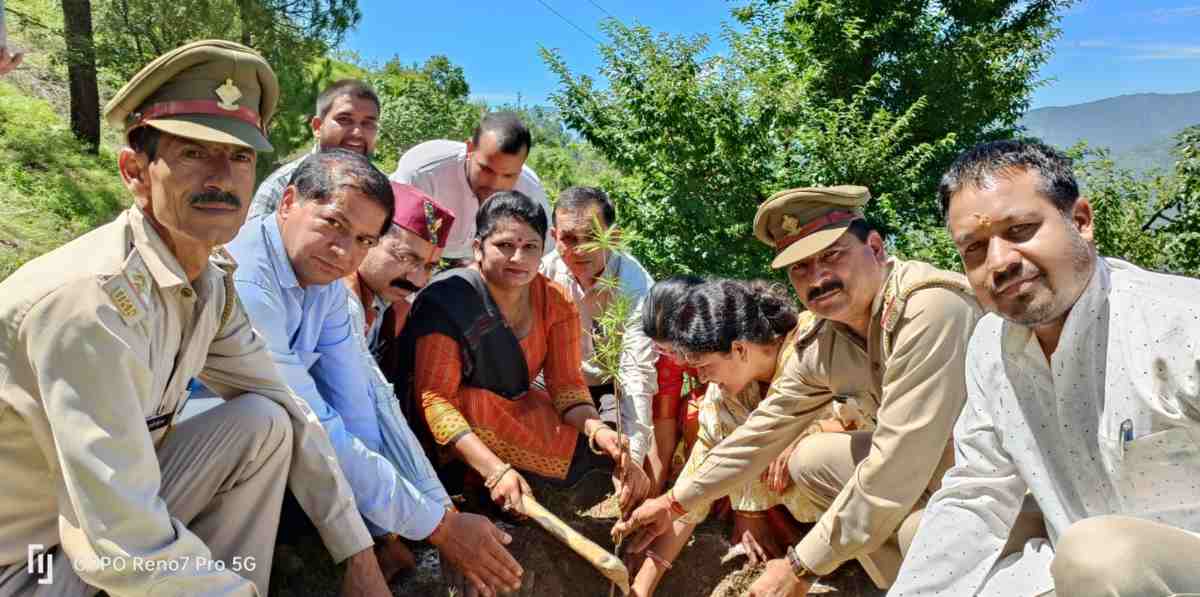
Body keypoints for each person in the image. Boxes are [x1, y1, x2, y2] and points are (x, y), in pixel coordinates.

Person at [0, 40, 387, 596]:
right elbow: (121, 540)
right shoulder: (89, 306)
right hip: (27, 565)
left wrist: (355, 549)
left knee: (265, 423)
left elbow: (286, 406)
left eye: (240, 157)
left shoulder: (207, 283)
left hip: (95, 533)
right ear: (134, 171)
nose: (222, 178)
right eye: (193, 153)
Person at [616, 186, 984, 596]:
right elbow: (761, 433)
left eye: (832, 256)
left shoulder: (927, 310)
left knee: (924, 534)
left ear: (876, 248)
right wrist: (672, 504)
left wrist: (799, 566)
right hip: (937, 476)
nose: (817, 278)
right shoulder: (830, 338)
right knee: (812, 462)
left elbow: (896, 466)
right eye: (800, 267)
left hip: (1002, 487)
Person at [891, 140, 1200, 597]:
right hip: (1080, 569)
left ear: (1081, 221)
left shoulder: (1180, 323)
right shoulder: (991, 346)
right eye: (974, 249)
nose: (999, 262)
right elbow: (978, 490)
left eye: (1020, 229)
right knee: (924, 536)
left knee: (1099, 554)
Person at [225, 149, 521, 597]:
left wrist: (430, 519)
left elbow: (365, 410)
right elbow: (313, 424)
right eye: (334, 224)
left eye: (363, 239)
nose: (345, 250)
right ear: (287, 203)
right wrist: (434, 528)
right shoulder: (251, 282)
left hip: (270, 453)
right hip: (194, 456)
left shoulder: (325, 287)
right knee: (270, 424)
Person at [386, 190, 650, 518]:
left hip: (516, 407)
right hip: (451, 419)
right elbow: (436, 400)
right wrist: (495, 470)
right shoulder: (448, 299)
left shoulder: (555, 301)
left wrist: (599, 430)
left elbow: (567, 388)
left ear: (544, 250)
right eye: (505, 246)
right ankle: (467, 482)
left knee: (597, 458)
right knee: (475, 407)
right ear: (477, 247)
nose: (518, 259)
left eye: (530, 248)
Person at [628, 279, 833, 597]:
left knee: (808, 457)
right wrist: (642, 586)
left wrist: (810, 434)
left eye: (705, 366)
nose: (701, 378)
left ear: (739, 348)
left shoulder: (815, 344)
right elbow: (700, 477)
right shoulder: (723, 397)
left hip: (884, 490)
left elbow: (873, 418)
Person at [540, 186, 656, 502]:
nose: (579, 250)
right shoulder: (543, 272)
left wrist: (633, 454)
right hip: (554, 385)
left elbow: (636, 372)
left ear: (613, 237)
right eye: (568, 239)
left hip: (612, 387)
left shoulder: (636, 285)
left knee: (619, 454)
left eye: (591, 237)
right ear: (554, 236)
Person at [391, 112, 554, 264]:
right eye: (486, 169)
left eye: (508, 176)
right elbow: (392, 236)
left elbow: (544, 251)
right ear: (469, 148)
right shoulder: (424, 171)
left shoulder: (530, 188)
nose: (495, 185)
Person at [248, 79, 380, 219]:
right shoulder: (279, 187)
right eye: (344, 120)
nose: (357, 133)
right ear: (317, 127)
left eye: (368, 123)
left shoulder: (381, 191)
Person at [642, 275, 707, 492]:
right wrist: (651, 495)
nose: (676, 360)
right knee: (692, 411)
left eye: (679, 350)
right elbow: (663, 425)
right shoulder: (667, 360)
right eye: (663, 350)